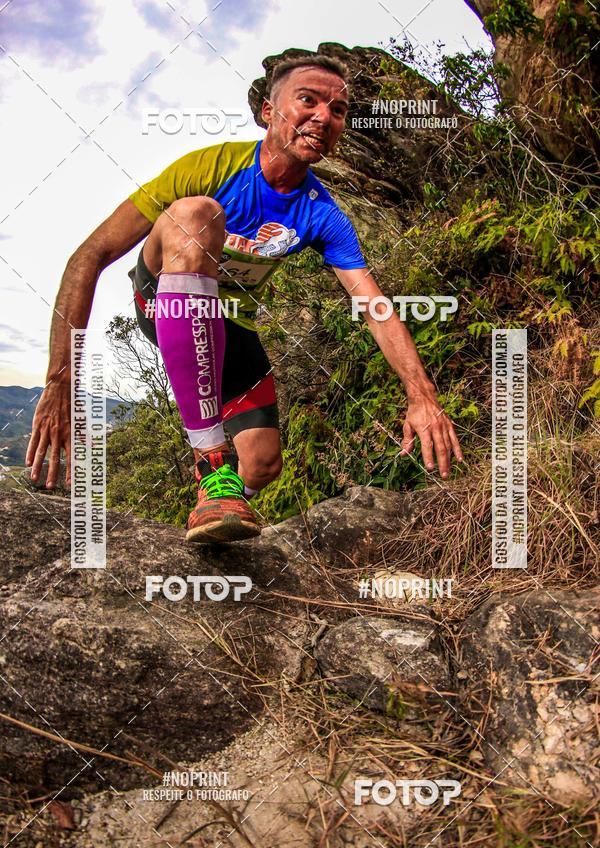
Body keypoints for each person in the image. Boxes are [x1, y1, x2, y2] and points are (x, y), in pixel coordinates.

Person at [26, 54, 463, 543]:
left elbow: (374, 305)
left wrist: (422, 397)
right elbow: (87, 256)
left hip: (231, 323)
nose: (323, 116)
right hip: (163, 296)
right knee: (198, 214)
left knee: (262, 463)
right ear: (267, 111)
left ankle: (220, 510)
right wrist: (60, 381)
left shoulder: (323, 214)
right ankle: (212, 470)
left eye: (338, 110)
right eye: (308, 100)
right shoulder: (209, 167)